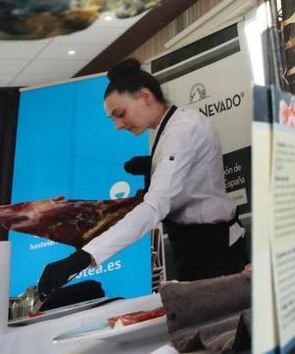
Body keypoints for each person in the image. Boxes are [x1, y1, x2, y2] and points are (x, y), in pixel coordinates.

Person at [37, 59, 246, 299]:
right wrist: (151, 165)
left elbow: (154, 206)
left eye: (120, 114)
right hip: (192, 246)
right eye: (113, 119)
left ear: (145, 96)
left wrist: (84, 257)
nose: (117, 125)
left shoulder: (182, 130)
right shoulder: (166, 127)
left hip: (213, 250)